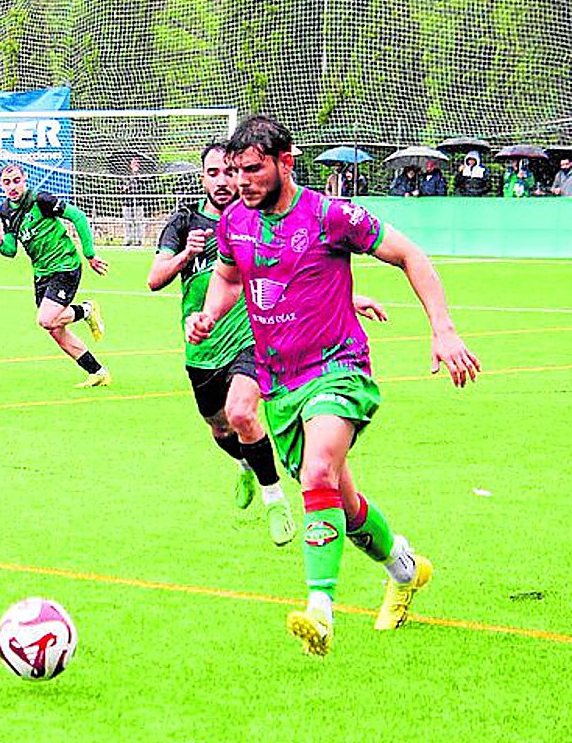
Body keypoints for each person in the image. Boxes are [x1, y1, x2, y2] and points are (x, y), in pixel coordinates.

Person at [185, 115, 480, 657]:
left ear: (285, 161)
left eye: (252, 170)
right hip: (279, 384)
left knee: (317, 473)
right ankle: (406, 569)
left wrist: (444, 329)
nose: (240, 182)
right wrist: (207, 314)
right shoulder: (235, 225)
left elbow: (411, 255)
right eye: (233, 172)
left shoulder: (331, 214)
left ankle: (320, 609)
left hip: (338, 368)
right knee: (338, 502)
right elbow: (228, 277)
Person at [148, 143, 296, 545]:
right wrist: (184, 255)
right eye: (213, 173)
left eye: (229, 172)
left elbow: (293, 272)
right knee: (219, 427)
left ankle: (275, 499)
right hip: (201, 345)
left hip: (251, 337)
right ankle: (248, 464)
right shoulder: (184, 222)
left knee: (242, 412)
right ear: (203, 177)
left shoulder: (256, 220)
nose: (222, 181)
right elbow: (154, 278)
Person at [0, 163, 110, 388]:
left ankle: (87, 310)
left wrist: (90, 254)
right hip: (41, 273)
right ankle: (97, 372)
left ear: (25, 180)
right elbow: (11, 250)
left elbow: (78, 216)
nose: (12, 186)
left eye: (16, 180)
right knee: (54, 329)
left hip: (65, 265)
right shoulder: (6, 211)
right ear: (0, 185)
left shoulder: (41, 200)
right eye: (7, 182)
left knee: (46, 319)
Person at [120, 156, 146, 246]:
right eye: (133, 162)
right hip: (127, 202)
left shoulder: (142, 176)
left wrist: (136, 176)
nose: (135, 164)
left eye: (137, 163)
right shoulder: (125, 175)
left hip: (138, 202)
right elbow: (122, 188)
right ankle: (128, 240)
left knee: (138, 222)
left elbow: (143, 187)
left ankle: (138, 240)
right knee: (128, 222)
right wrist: (126, 187)